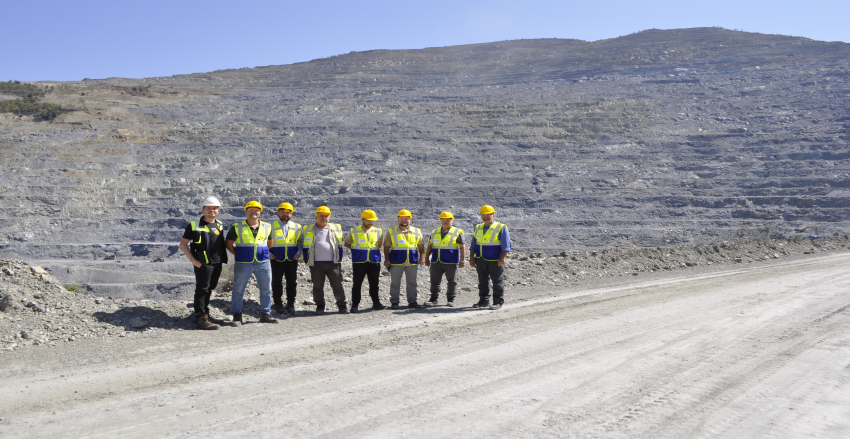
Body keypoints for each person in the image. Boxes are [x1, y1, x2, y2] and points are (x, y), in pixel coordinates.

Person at [225, 201, 278, 325]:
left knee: (266, 289)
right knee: (238, 290)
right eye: (251, 209)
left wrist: (262, 253)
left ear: (260, 212)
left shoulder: (267, 226)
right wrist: (238, 254)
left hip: (263, 262)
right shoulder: (237, 226)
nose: (254, 212)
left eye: (257, 210)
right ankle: (237, 316)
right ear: (246, 211)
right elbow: (228, 243)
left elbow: (270, 243)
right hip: (243, 263)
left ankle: (265, 314)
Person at [179, 197, 228, 330]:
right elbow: (183, 244)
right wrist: (194, 261)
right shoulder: (194, 225)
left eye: (214, 208)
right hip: (203, 263)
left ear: (218, 211)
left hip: (217, 263)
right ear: (203, 210)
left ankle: (206, 315)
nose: (211, 210)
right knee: (202, 290)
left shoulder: (219, 224)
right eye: (208, 208)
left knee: (210, 288)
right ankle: (201, 318)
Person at [297, 206, 347, 315]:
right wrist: (298, 254)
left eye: (326, 216)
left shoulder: (336, 227)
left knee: (337, 284)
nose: (324, 218)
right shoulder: (307, 229)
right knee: (318, 285)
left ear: (329, 217)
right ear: (316, 217)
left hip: (333, 262)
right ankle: (320, 306)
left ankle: (342, 305)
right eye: (321, 216)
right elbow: (300, 242)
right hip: (315, 263)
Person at [469, 205, 511, 310]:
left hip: (495, 259)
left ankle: (498, 301)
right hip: (481, 258)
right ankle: (483, 301)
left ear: (493, 215)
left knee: (497, 281)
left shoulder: (500, 227)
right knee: (482, 281)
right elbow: (473, 244)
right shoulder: (478, 227)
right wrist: (471, 257)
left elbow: (506, 245)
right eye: (483, 214)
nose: (485, 217)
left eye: (488, 214)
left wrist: (502, 258)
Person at [343, 209, 385, 312]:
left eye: (372, 221)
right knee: (357, 284)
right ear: (362, 220)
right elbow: (347, 244)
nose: (370, 222)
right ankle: (355, 305)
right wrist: (358, 251)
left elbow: (379, 245)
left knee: (374, 283)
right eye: (368, 220)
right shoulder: (354, 231)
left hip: (374, 261)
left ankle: (376, 303)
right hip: (359, 261)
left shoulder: (378, 231)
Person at [383, 209, 425, 309]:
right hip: (396, 261)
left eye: (406, 218)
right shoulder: (391, 231)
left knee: (412, 283)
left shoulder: (417, 231)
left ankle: (412, 301)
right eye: (401, 218)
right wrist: (387, 259)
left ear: (410, 219)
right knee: (395, 283)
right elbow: (386, 247)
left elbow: (421, 246)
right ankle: (394, 302)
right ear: (398, 219)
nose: (404, 220)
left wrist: (422, 258)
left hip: (412, 261)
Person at [423, 211, 466, 307]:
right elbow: (430, 246)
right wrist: (426, 258)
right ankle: (433, 299)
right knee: (434, 281)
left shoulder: (457, 231)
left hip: (451, 261)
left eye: (448, 219)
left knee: (452, 281)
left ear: (452, 220)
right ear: (440, 220)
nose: (445, 221)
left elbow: (462, 247)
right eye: (443, 219)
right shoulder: (435, 232)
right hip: (436, 260)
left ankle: (451, 299)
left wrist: (462, 260)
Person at [267, 202, 301, 315]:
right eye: (282, 212)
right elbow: (262, 241)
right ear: (278, 213)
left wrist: (298, 253)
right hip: (276, 259)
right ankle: (278, 304)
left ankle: (290, 304)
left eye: (287, 212)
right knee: (276, 282)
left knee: (291, 282)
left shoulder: (297, 227)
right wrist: (268, 253)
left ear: (291, 214)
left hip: (292, 259)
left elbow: (300, 242)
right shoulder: (269, 227)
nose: (285, 214)